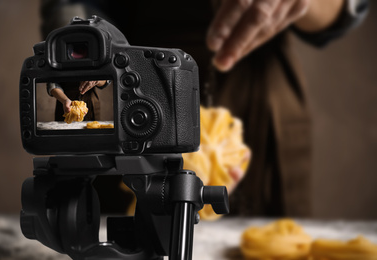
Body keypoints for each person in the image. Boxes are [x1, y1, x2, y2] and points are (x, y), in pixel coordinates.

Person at [40, 0, 368, 216]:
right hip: (138, 88)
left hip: (264, 103)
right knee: (138, 231)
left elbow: (349, 9)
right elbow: (71, 6)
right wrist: (88, 54)